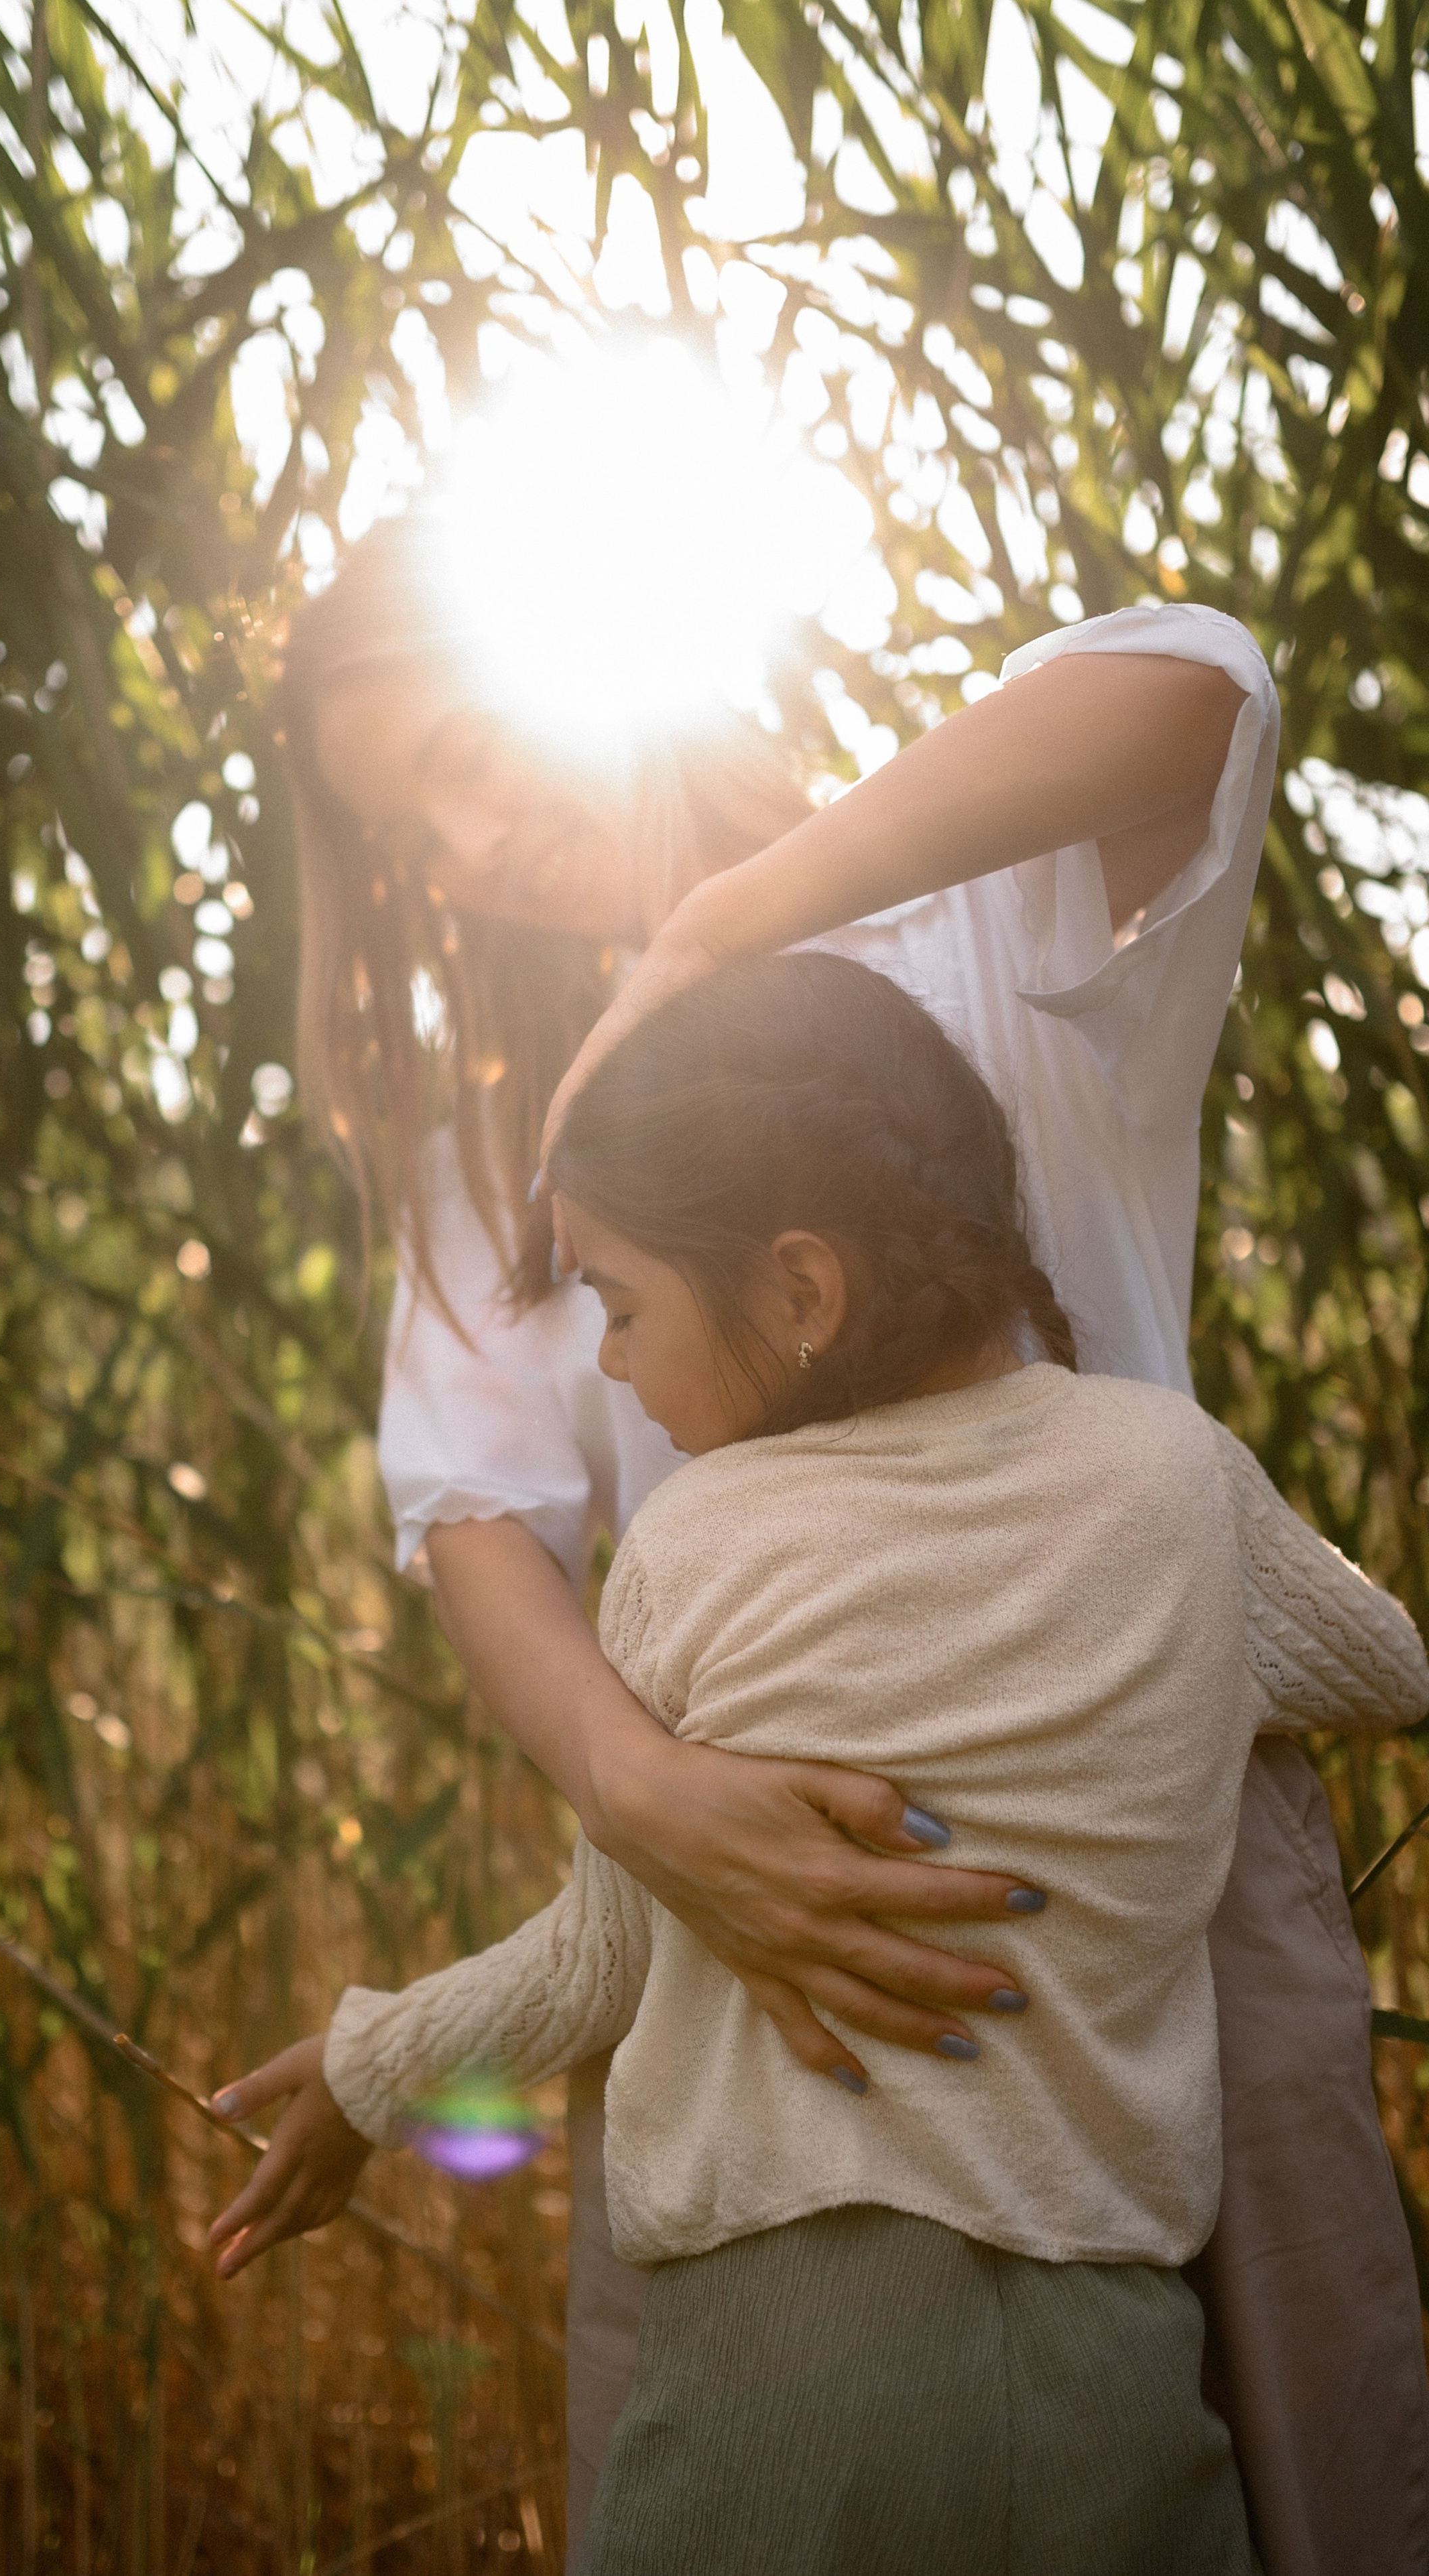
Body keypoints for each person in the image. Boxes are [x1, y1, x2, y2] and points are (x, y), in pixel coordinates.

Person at [211, 507, 1429, 2573]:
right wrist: (650, 1792)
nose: (468, 844)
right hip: (742, 1907)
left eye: (474, 754)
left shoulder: (979, 931)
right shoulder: (513, 1136)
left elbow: (1200, 682)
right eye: (413, 823)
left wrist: (717, 931)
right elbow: (480, 1515)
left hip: (1157, 1892)